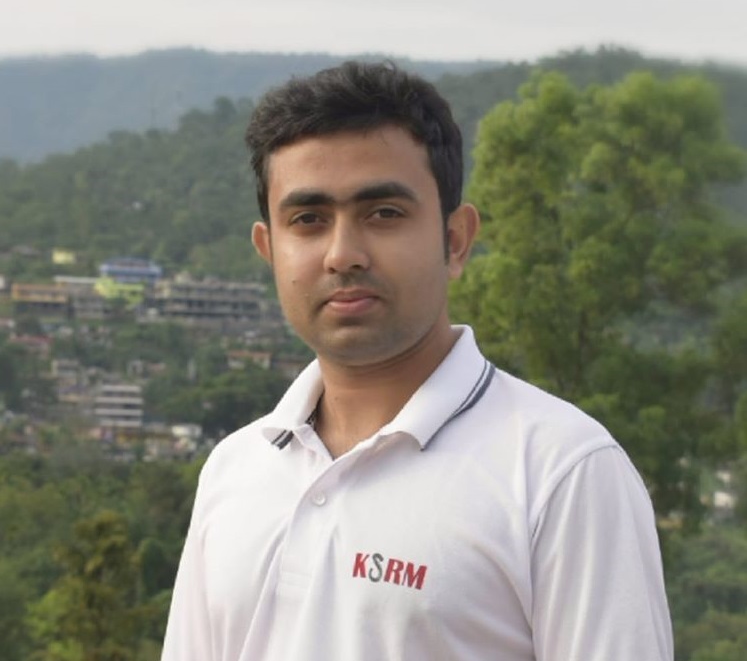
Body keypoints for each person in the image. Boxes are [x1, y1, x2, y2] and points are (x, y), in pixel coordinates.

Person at [161, 61, 673, 661]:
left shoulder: (561, 471)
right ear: (269, 248)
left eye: (383, 213)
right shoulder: (237, 469)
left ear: (455, 240)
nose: (343, 254)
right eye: (308, 220)